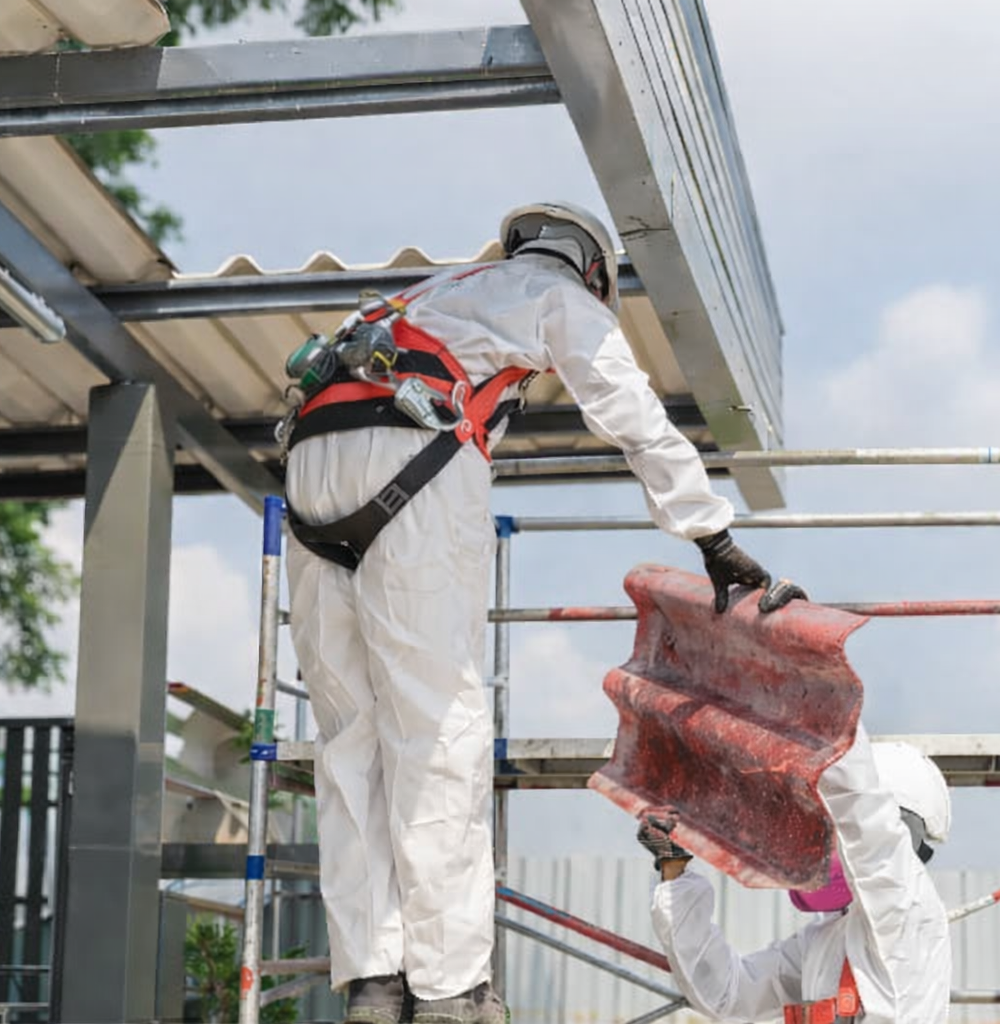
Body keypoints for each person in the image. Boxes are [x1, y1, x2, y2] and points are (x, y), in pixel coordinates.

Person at [281, 201, 802, 1024]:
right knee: (439, 725)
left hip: (309, 479)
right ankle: (451, 988)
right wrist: (709, 533)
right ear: (592, 272)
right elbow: (625, 406)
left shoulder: (424, 295)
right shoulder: (548, 292)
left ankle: (374, 981)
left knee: (349, 739)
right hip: (410, 465)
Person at [640, 727, 951, 1024]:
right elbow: (727, 994)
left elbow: (861, 808)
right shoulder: (826, 941)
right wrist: (673, 866)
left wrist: (817, 706)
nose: (814, 841)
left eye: (826, 824)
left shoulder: (906, 914)